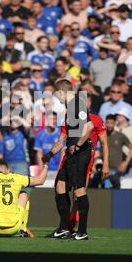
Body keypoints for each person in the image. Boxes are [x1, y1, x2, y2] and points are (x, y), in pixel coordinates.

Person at [42, 79, 94, 240]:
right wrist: (50, 155)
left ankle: (82, 232)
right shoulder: (70, 109)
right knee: (60, 185)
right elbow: (62, 138)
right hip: (71, 154)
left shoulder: (78, 104)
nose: (57, 99)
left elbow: (89, 127)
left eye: (57, 95)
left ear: (61, 92)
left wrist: (78, 145)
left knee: (79, 190)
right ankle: (64, 228)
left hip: (79, 153)